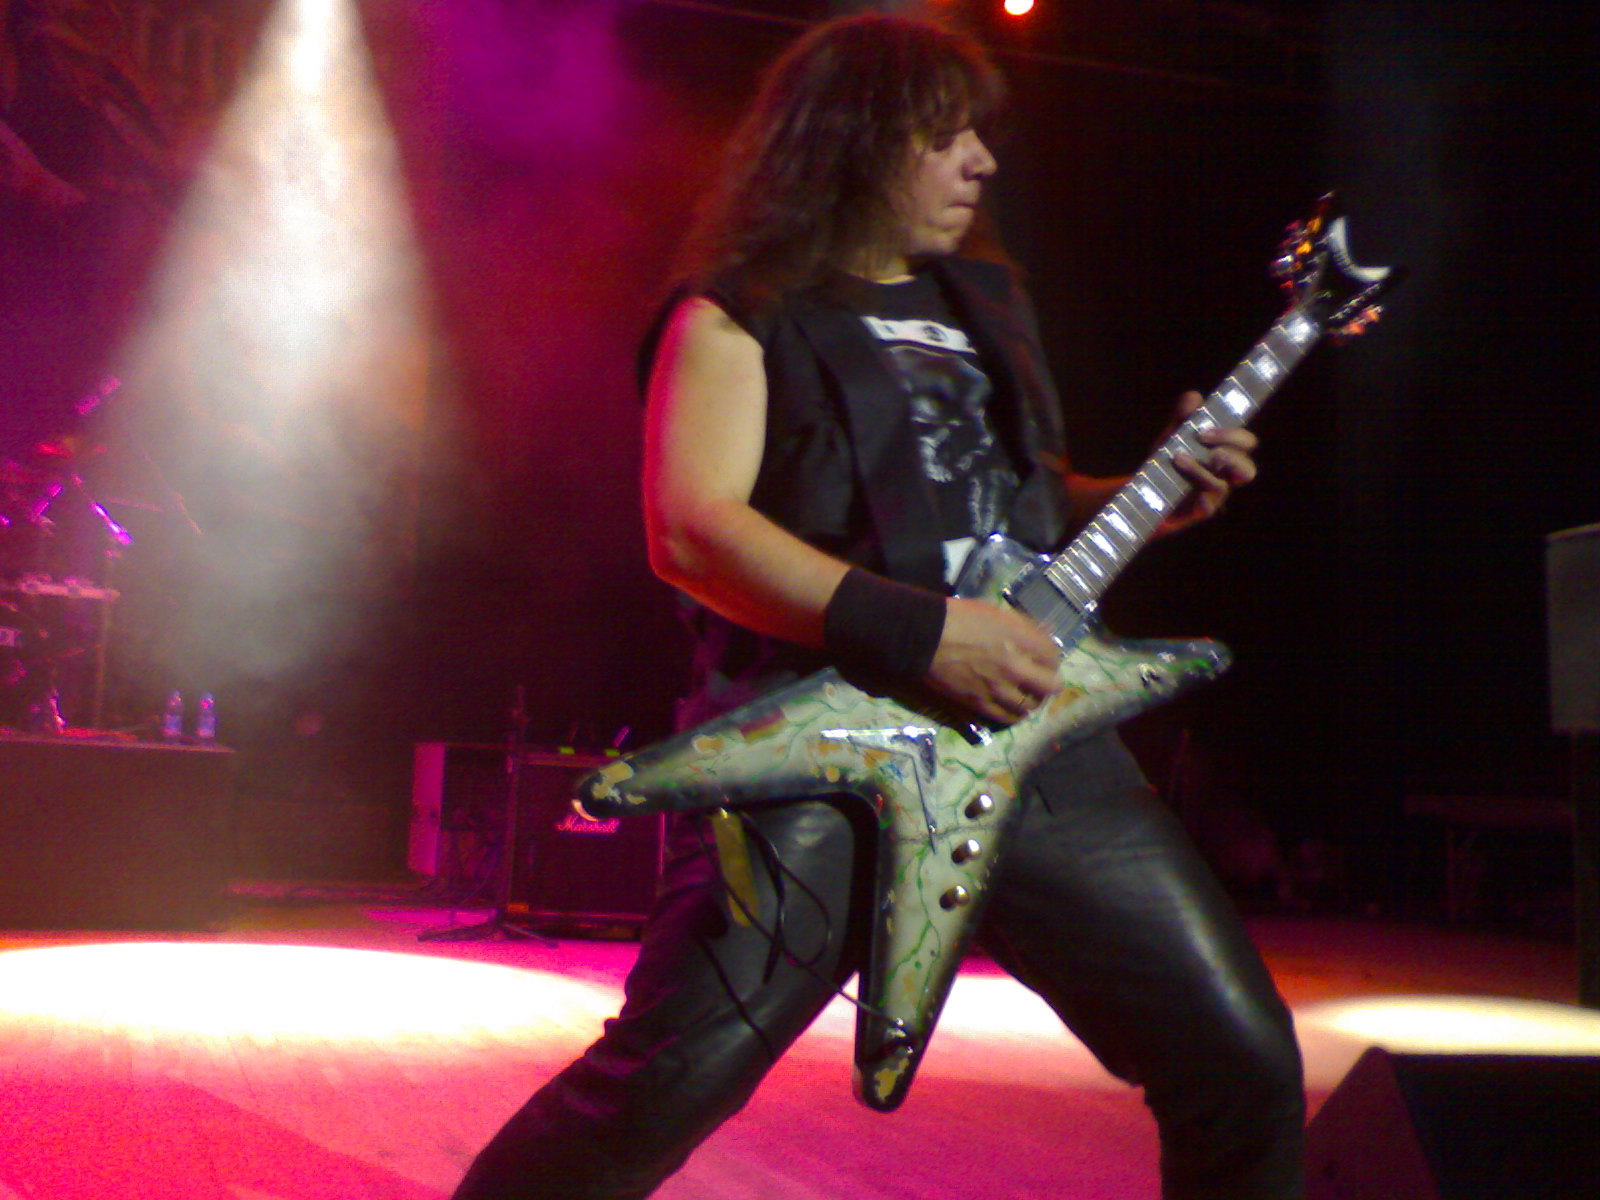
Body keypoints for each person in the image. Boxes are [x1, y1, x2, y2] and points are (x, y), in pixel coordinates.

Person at [452, 14, 1304, 1199]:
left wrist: (1150, 497)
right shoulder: (734, 312)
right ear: (858, 138)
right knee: (661, 1083)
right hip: (815, 756)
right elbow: (692, 529)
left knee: (1243, 1067)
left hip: (1042, 750)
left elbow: (1012, 514)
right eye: (947, 135)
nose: (982, 162)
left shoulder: (984, 306)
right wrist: (927, 633)